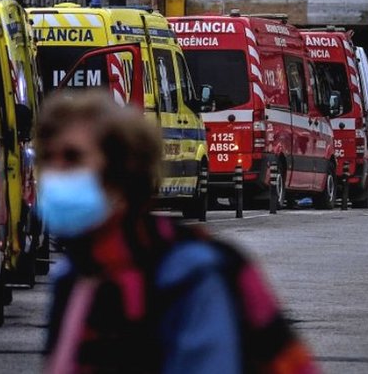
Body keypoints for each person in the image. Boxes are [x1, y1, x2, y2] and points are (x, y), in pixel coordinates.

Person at [36, 90, 316, 374]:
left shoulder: (188, 271)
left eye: (73, 158)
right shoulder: (74, 275)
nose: (56, 171)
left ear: (122, 169)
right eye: (48, 157)